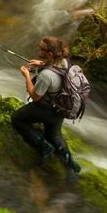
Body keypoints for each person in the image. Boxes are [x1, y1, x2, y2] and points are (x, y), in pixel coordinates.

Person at [11, 36, 82, 173]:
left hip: (46, 110)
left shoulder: (46, 76)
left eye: (41, 49)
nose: (38, 49)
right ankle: (69, 162)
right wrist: (42, 64)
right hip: (61, 108)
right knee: (53, 135)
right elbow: (55, 71)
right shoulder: (66, 62)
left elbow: (35, 96)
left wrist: (26, 75)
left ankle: (44, 147)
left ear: (50, 54)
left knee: (17, 119)